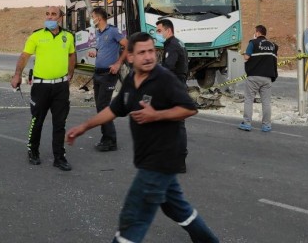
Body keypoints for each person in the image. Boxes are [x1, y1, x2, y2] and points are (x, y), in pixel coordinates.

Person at [66, 32, 219, 243]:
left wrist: (156, 114)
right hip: (148, 158)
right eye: (142, 53)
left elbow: (189, 108)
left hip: (160, 161)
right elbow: (114, 109)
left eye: (151, 51)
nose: (148, 57)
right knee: (179, 210)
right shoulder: (131, 80)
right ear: (130, 57)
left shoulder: (164, 78)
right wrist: (84, 126)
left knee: (133, 217)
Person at [11, 6, 75, 171]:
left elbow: (72, 54)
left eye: (53, 14)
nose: (50, 17)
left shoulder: (68, 36)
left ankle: (59, 157)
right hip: (41, 86)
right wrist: (17, 74)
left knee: (60, 123)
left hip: (61, 87)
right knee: (37, 120)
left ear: (60, 17)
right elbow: (25, 56)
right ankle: (33, 151)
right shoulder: (36, 35)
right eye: (47, 14)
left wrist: (70, 74)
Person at [87, 7, 128, 152]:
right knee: (100, 107)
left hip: (108, 75)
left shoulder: (113, 31)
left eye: (92, 16)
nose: (91, 19)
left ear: (99, 17)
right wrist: (95, 52)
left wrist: (118, 63)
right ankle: (105, 138)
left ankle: (111, 141)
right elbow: (102, 50)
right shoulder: (98, 33)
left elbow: (127, 45)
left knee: (104, 107)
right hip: (97, 74)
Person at [156, 18, 189, 173]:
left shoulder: (173, 45)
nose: (158, 34)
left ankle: (177, 160)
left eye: (159, 30)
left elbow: (169, 68)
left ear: (168, 30)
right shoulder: (179, 43)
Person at [238, 25, 279, 133]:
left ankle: (247, 124)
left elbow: (246, 57)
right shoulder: (273, 45)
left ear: (257, 33)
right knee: (266, 102)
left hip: (253, 77)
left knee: (249, 100)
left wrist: (244, 55)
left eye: (255, 32)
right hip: (267, 78)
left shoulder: (253, 43)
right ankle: (266, 125)